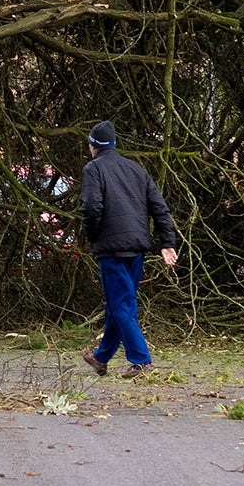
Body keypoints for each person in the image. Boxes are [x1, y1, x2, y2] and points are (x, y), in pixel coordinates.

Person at [79, 121, 177, 378]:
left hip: (111, 249)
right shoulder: (136, 170)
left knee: (121, 306)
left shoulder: (93, 169)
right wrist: (167, 242)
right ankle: (101, 357)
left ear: (93, 146)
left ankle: (141, 361)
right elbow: (160, 208)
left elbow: (91, 207)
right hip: (137, 248)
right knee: (119, 304)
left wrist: (93, 235)